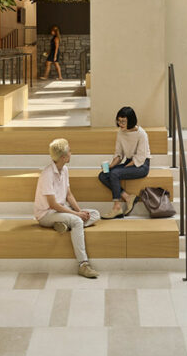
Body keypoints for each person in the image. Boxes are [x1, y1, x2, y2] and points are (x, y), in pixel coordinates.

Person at [35, 138, 100, 279]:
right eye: (70, 151)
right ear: (64, 157)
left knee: (95, 214)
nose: (72, 152)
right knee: (77, 222)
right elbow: (52, 205)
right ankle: (83, 265)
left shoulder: (64, 169)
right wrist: (76, 215)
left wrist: (80, 211)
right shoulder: (47, 174)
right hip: (47, 214)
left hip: (61, 210)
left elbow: (69, 194)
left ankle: (64, 225)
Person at [99, 106, 150, 218]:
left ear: (131, 121)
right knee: (103, 175)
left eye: (123, 121)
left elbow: (140, 158)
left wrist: (122, 168)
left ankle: (117, 207)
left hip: (141, 165)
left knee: (115, 174)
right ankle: (128, 197)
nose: (120, 124)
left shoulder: (141, 134)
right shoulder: (121, 133)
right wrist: (111, 166)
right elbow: (119, 154)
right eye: (119, 121)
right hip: (129, 161)